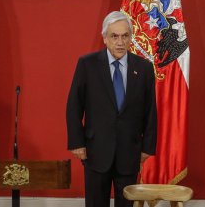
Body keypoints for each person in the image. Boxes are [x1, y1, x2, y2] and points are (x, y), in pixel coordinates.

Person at [66, 11, 157, 207]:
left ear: (131, 38)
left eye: (125, 36)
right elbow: (74, 105)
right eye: (114, 36)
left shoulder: (144, 68)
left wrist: (148, 147)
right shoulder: (87, 65)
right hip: (95, 150)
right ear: (105, 38)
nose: (120, 42)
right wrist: (76, 143)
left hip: (130, 151)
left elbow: (150, 110)